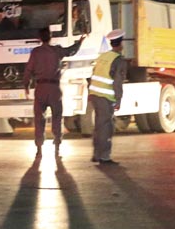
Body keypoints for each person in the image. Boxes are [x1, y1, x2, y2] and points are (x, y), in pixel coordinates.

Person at [23, 28, 86, 158]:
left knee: (39, 119)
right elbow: (71, 51)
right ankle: (57, 147)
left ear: (39, 38)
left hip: (40, 88)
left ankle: (39, 149)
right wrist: (80, 42)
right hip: (54, 88)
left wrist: (26, 86)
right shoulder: (56, 50)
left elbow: (28, 70)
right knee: (57, 117)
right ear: (50, 37)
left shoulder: (36, 52)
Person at [88, 29, 128, 165]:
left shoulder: (103, 56)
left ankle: (96, 154)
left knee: (99, 125)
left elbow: (93, 74)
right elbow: (117, 82)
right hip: (105, 96)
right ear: (120, 44)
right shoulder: (118, 60)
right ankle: (104, 156)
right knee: (106, 127)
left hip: (95, 94)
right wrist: (118, 100)